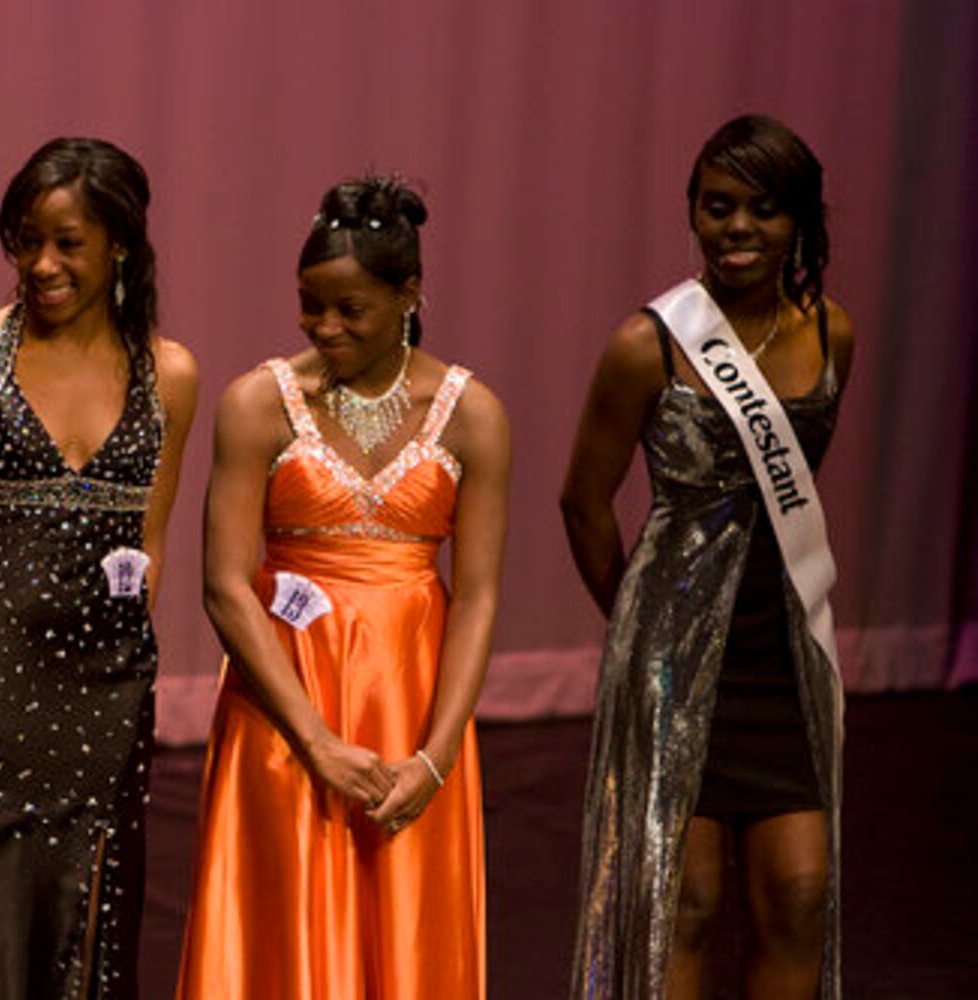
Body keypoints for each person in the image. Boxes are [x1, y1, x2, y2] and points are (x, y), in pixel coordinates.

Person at [175, 177, 509, 999]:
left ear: (408, 296)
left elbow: (479, 597)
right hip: (285, 709)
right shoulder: (258, 404)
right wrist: (317, 742)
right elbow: (223, 585)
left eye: (349, 310)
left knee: (404, 930)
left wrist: (434, 760)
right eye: (309, 306)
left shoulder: (473, 415)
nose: (325, 328)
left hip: (413, 710)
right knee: (281, 928)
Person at [561, 114, 855, 999]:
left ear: (799, 220)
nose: (737, 228)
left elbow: (789, 496)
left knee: (800, 893)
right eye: (718, 206)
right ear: (692, 212)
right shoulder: (645, 344)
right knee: (683, 901)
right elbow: (582, 502)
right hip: (674, 652)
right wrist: (643, 630)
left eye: (763, 210)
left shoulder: (832, 333)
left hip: (785, 651)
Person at [0, 137, 198, 999]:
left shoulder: (168, 375)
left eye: (67, 243)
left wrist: (134, 668)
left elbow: (150, 543)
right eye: (27, 240)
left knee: (90, 906)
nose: (41, 264)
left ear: (119, 244)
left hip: (106, 691)